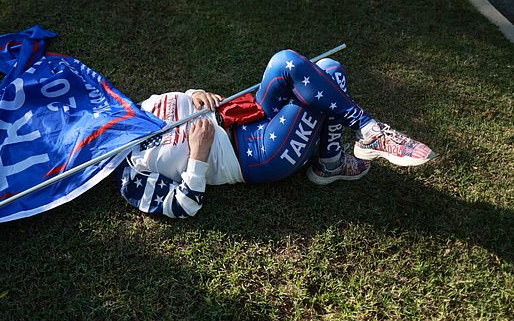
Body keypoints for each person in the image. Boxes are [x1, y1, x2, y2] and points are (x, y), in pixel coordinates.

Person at [116, 49, 436, 218]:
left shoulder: (144, 106)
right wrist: (198, 156)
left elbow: (186, 100)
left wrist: (197, 92)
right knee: (330, 73)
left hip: (247, 113)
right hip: (255, 155)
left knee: (308, 63)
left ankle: (341, 155)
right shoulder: (132, 176)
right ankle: (364, 137)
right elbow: (183, 206)